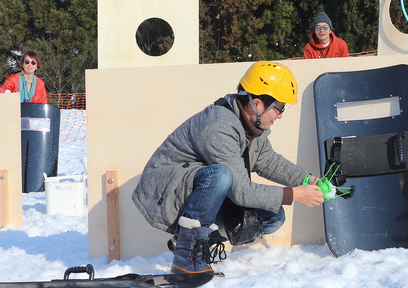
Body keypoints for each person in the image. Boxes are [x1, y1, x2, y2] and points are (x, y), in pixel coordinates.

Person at [132, 61, 323, 276]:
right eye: (279, 108)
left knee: (272, 216)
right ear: (257, 104)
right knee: (221, 175)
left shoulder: (251, 127)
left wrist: (308, 180)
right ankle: (186, 255)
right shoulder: (219, 126)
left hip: (194, 192)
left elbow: (268, 161)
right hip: (166, 194)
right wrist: (294, 194)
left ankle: (196, 240)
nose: (280, 115)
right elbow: (242, 192)